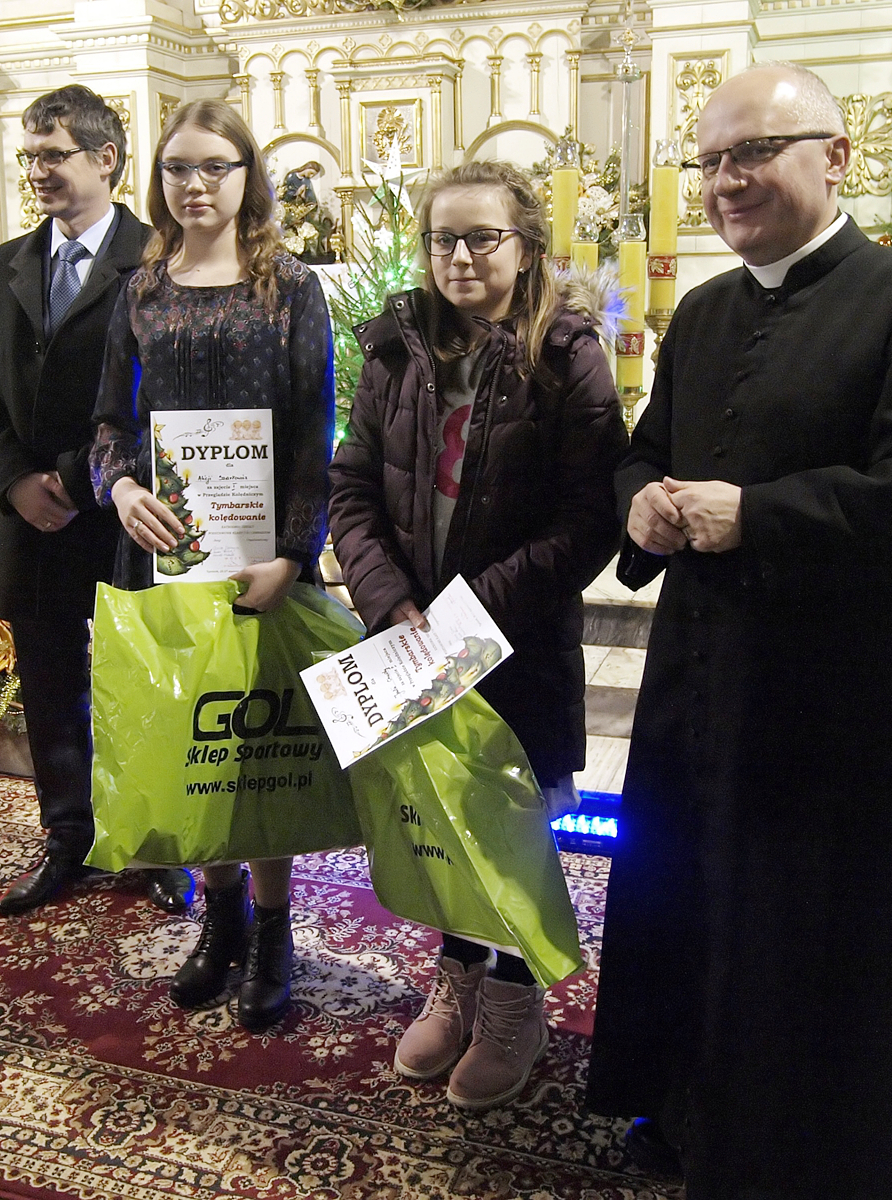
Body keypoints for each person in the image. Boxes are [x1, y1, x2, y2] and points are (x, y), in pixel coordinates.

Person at [583, 63, 892, 1198]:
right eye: (711, 160)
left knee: (801, 923)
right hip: (702, 674)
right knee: (694, 893)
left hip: (836, 695)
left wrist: (757, 516)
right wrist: (639, 499)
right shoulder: (706, 310)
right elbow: (647, 447)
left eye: (753, 152)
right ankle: (685, 1106)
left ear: (835, 155)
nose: (725, 179)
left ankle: (804, 1150)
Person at [329, 160, 626, 1111]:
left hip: (517, 638)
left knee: (514, 826)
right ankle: (457, 977)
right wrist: (387, 600)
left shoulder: (567, 352)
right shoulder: (394, 349)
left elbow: (590, 516)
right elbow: (352, 487)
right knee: (442, 821)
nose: (459, 256)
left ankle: (513, 1001)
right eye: (442, 239)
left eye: (482, 237)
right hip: (413, 638)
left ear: (525, 246)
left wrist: (477, 609)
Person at [89, 99, 334, 1032]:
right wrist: (120, 488)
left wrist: (294, 555)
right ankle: (219, 916)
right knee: (191, 742)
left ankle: (273, 930)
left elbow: (314, 436)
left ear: (246, 177)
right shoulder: (140, 290)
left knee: (256, 748)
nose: (194, 185)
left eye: (214, 167)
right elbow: (109, 423)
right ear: (157, 180)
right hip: (163, 549)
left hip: (261, 558)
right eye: (177, 168)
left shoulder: (291, 287)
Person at [0, 85, 191, 919]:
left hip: (123, 510)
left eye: (53, 155)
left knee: (142, 686)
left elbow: (167, 394)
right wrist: (16, 482)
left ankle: (157, 842)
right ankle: (69, 839)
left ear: (106, 158)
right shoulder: (1, 267)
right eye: (30, 157)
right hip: (31, 516)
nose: (37, 172)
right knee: (51, 687)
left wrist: (71, 472)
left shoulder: (161, 258)